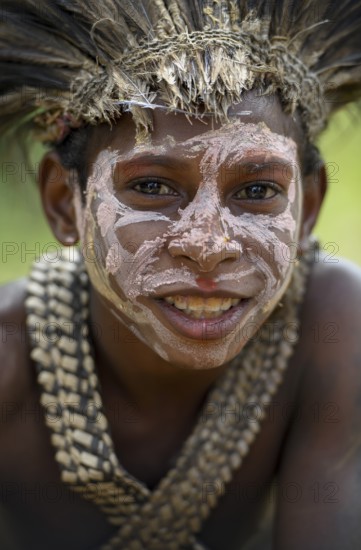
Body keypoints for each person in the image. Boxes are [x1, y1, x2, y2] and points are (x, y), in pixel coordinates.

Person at [0, 1, 361, 549]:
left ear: (307, 209)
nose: (208, 246)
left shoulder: (335, 330)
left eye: (258, 191)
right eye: (150, 187)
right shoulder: (10, 362)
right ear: (61, 200)